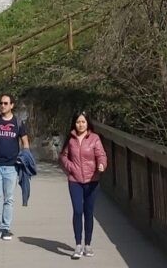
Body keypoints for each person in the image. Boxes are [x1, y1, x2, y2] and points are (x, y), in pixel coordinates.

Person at [0, 91, 30, 243]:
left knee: (8, 198)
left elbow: (26, 143)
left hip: (11, 167)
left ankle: (5, 227)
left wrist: (25, 159)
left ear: (12, 105)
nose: (2, 105)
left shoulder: (18, 123)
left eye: (6, 103)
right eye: (1, 103)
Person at [59, 110, 107, 259]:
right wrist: (70, 167)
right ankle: (78, 245)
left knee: (88, 212)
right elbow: (63, 156)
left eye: (83, 122)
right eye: (78, 122)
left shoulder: (94, 138)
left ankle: (88, 245)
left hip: (92, 180)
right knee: (78, 210)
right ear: (74, 123)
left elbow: (101, 155)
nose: (80, 124)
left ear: (87, 123)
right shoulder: (71, 139)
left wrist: (102, 165)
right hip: (75, 181)